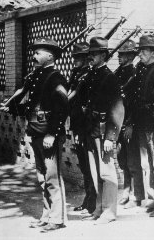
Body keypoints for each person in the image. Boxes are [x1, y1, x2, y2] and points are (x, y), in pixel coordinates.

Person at [4, 38, 69, 232]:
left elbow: (62, 107)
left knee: (52, 177)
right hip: (35, 131)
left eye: (38, 53)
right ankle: (47, 215)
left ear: (50, 56)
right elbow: (31, 105)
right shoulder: (36, 76)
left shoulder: (56, 77)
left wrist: (52, 134)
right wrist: (11, 109)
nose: (34, 56)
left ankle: (57, 219)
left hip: (48, 134)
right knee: (42, 177)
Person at [126, 35, 154, 217]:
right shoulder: (140, 71)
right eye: (140, 50)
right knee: (147, 165)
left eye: (144, 50)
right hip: (142, 124)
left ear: (153, 53)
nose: (141, 53)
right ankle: (153, 200)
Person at [81, 36, 124, 224]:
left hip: (103, 129)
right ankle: (99, 208)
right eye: (90, 53)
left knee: (107, 172)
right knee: (95, 171)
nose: (91, 57)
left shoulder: (110, 77)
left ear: (104, 55)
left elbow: (117, 109)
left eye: (95, 54)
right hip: (91, 128)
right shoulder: (91, 75)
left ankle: (109, 211)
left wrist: (110, 137)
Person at [114, 40, 145, 207]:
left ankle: (137, 195)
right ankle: (127, 191)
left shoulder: (134, 74)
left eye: (123, 54)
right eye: (119, 54)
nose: (120, 57)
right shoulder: (118, 72)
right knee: (123, 160)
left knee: (133, 161)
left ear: (131, 56)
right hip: (118, 122)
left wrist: (131, 123)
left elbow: (135, 102)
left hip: (129, 123)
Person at [68, 42, 96, 214]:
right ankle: (88, 199)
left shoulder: (88, 75)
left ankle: (92, 202)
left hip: (86, 125)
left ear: (87, 58)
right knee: (84, 165)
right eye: (75, 57)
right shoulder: (76, 73)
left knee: (89, 164)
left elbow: (80, 99)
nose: (76, 60)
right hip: (77, 124)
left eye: (79, 57)